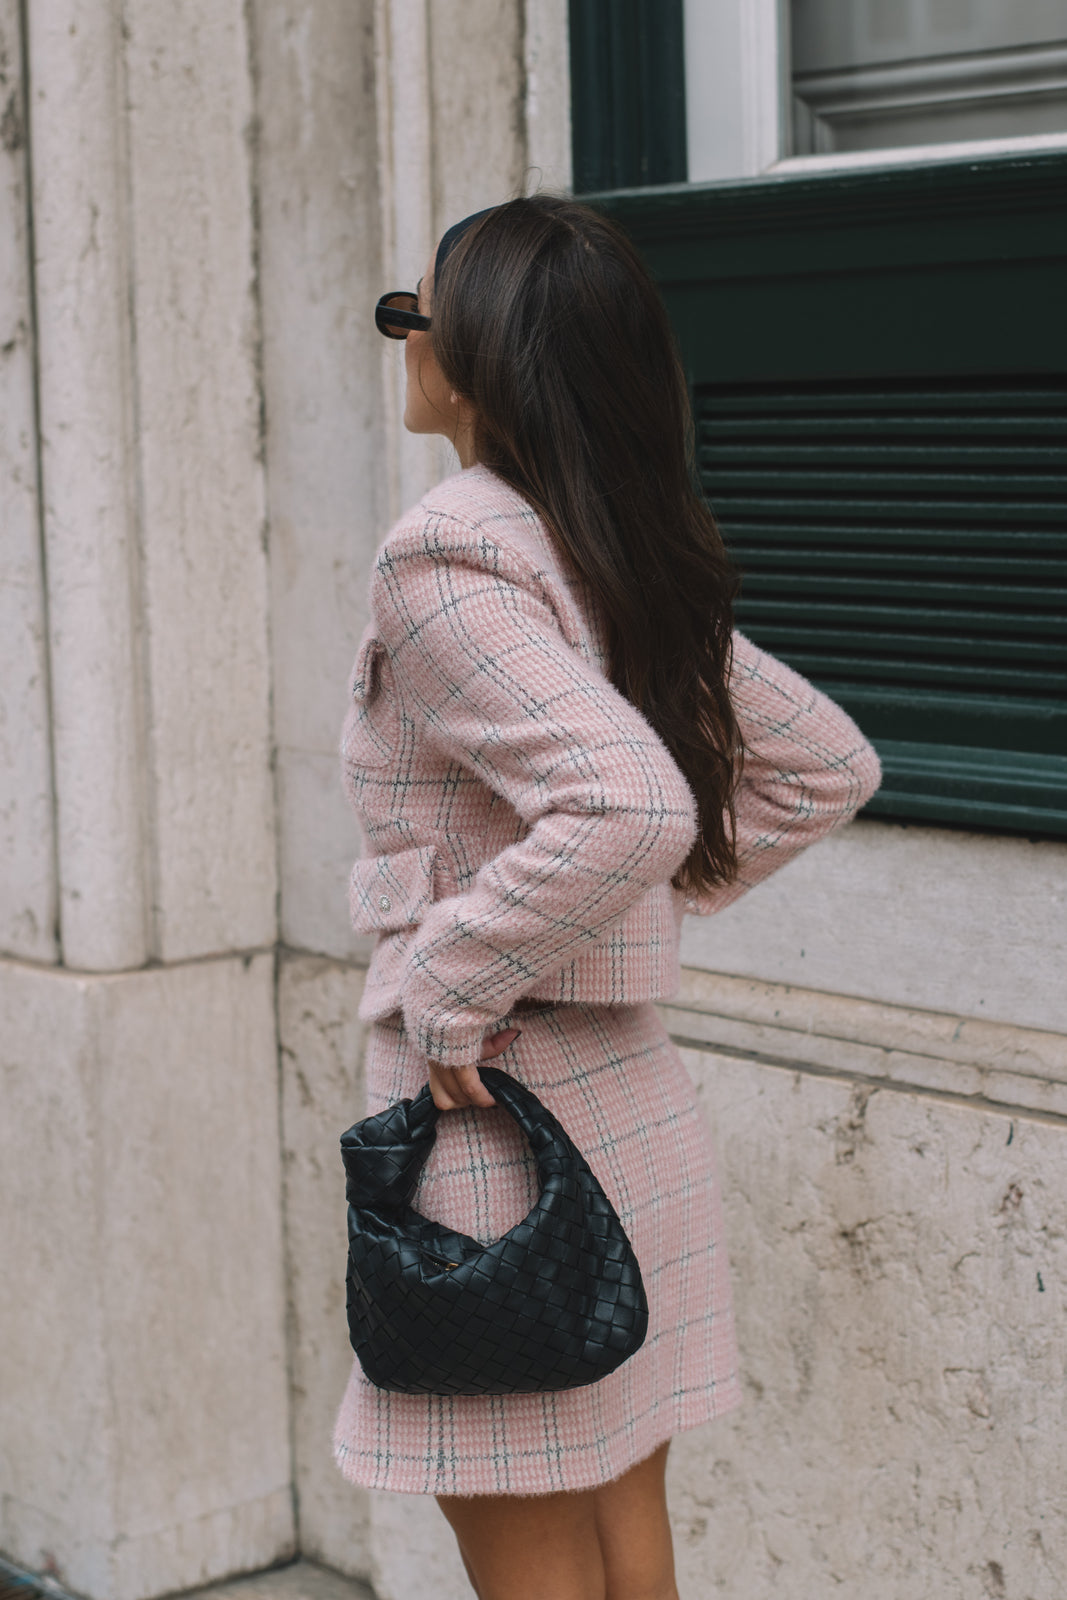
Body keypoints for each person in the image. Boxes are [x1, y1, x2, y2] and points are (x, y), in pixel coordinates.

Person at [333, 195, 881, 1600]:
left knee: (534, 1557)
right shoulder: (604, 542)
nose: (404, 341)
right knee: (628, 1539)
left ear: (475, 361)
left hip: (491, 1131)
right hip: (624, 1110)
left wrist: (460, 980)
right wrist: (606, 923)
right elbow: (822, 764)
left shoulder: (450, 551)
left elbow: (629, 804)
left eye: (416, 315)